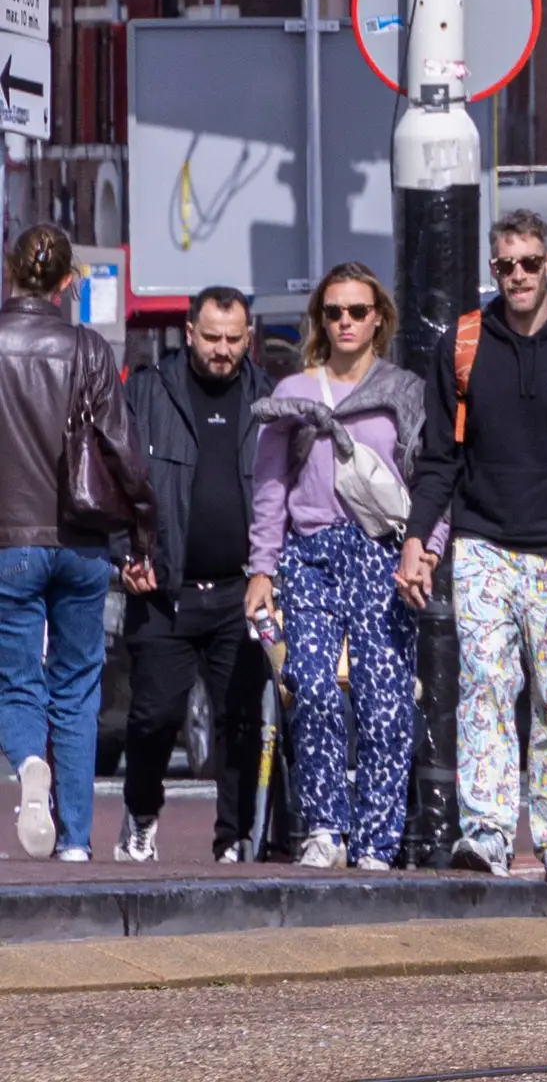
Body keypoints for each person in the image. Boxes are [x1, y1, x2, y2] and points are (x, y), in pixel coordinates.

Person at [400, 212, 547, 888]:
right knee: (484, 688)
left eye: (529, 263)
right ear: (493, 270)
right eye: (506, 266)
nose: (519, 277)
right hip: (482, 546)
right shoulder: (465, 344)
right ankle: (489, 834)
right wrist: (420, 540)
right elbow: (438, 458)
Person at [251, 264, 424, 871]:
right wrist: (262, 569)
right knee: (315, 689)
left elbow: (428, 483)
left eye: (357, 310)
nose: (345, 322)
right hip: (311, 553)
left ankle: (377, 840)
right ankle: (325, 826)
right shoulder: (294, 392)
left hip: (381, 555)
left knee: (385, 702)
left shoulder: (404, 390)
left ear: (379, 317)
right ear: (320, 321)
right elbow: (271, 485)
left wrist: (424, 551)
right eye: (334, 312)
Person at [0, 221, 151, 860]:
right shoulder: (88, 349)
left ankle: (30, 762)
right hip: (83, 540)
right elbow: (123, 449)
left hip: (10, 539)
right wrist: (141, 534)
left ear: (11, 273)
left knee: (16, 681)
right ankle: (76, 841)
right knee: (79, 684)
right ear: (67, 282)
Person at [117, 285, 269, 862]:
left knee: (240, 720)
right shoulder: (149, 393)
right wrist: (125, 553)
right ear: (189, 333)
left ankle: (232, 838)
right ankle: (141, 814)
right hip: (164, 589)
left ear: (248, 338)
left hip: (240, 589)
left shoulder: (266, 398)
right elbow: (116, 481)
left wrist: (271, 571)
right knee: (155, 715)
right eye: (211, 337)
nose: (222, 350)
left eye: (233, 339)